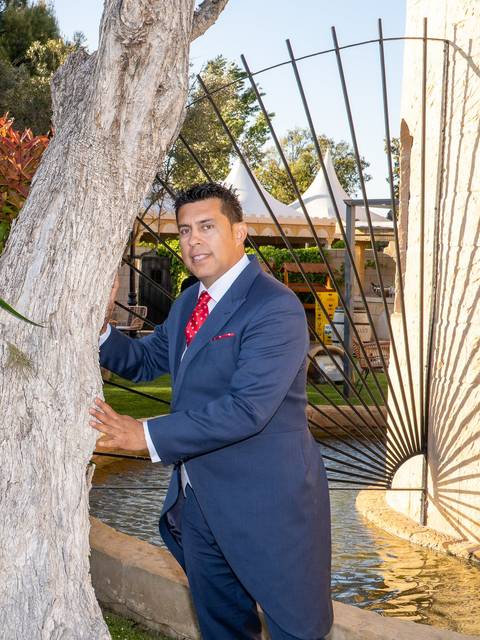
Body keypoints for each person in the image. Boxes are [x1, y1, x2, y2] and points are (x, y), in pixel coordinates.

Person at [91, 183, 332, 640]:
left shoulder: (274, 306)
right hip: (198, 502)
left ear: (240, 232)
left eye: (206, 227)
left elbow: (248, 409)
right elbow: (144, 363)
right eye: (184, 231)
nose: (193, 240)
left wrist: (143, 435)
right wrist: (102, 328)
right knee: (222, 629)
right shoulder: (189, 304)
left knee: (296, 630)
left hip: (269, 505)